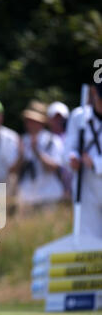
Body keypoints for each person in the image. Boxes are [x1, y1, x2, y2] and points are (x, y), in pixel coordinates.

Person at [65, 81, 102, 238]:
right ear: (94, 93)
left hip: (96, 173)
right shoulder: (79, 116)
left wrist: (95, 163)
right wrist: (72, 158)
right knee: (87, 236)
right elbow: (68, 148)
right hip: (85, 187)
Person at [16, 100, 65, 206]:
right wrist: (21, 156)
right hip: (27, 196)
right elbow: (14, 170)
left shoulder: (53, 140)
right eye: (28, 120)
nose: (30, 124)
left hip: (49, 195)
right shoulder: (21, 140)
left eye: (34, 120)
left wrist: (37, 152)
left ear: (41, 123)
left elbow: (54, 167)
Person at [47, 101, 71, 199]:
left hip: (70, 190)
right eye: (55, 118)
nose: (58, 121)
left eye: (61, 118)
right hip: (51, 192)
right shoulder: (44, 138)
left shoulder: (72, 139)